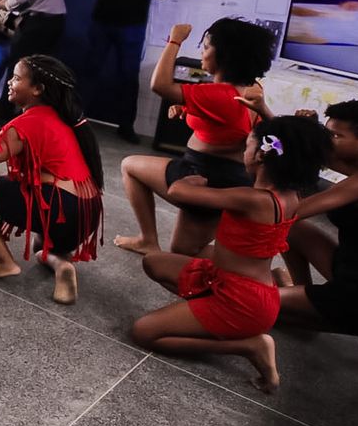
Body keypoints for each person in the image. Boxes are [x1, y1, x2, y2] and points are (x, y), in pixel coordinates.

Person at [133, 116, 328, 393]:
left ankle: (249, 345)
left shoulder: (251, 199)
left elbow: (178, 191)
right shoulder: (290, 196)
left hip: (241, 302)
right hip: (240, 284)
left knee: (144, 331)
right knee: (154, 262)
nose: (242, 153)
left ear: (261, 155)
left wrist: (191, 182)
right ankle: (213, 315)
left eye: (245, 147)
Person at [262, 98, 358, 370]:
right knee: (295, 232)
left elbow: (290, 211)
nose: (327, 140)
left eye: (335, 135)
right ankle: (305, 295)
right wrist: (303, 127)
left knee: (256, 306)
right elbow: (313, 154)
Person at [115, 18, 276, 256]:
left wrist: (174, 40)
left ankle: (147, 239)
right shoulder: (252, 89)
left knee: (130, 166)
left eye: (207, 46)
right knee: (184, 248)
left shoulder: (220, 94)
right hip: (228, 175)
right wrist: (187, 108)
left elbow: (160, 85)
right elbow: (232, 125)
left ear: (225, 55)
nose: (202, 52)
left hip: (205, 174)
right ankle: (260, 272)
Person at [0, 53, 104, 305]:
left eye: (16, 78)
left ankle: (4, 262)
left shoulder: (28, 122)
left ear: (37, 89)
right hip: (85, 214)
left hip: (58, 206)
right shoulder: (65, 119)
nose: (10, 83)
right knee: (42, 250)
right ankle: (63, 267)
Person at [85, 0, 168, 141]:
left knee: (128, 76)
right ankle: (79, 118)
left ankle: (126, 125)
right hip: (101, 22)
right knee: (90, 69)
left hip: (131, 26)